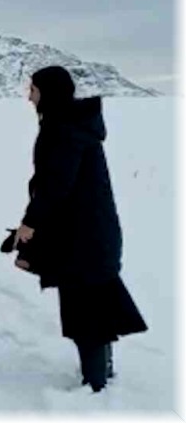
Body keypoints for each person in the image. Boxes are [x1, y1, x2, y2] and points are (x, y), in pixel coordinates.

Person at [17, 66, 146, 393]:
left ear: (49, 92)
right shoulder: (72, 124)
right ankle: (102, 374)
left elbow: (56, 185)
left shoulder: (62, 129)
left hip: (80, 239)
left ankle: (96, 387)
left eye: (33, 89)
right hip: (92, 233)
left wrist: (30, 222)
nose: (28, 95)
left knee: (84, 313)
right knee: (96, 306)